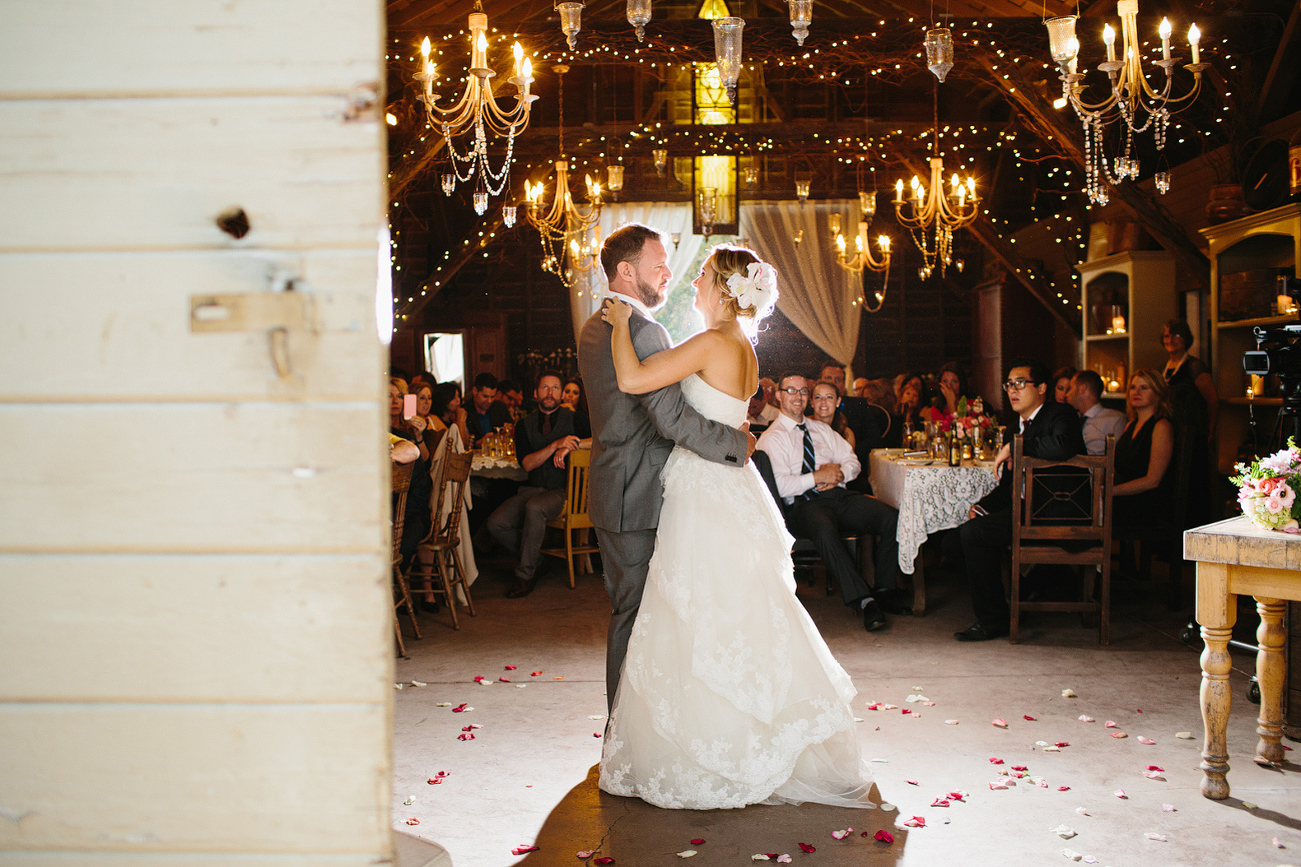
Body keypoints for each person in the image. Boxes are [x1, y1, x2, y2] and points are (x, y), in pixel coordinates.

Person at [593, 236, 873, 810]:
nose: (689, 282)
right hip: (729, 487)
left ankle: (711, 745)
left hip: (703, 488)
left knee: (697, 612)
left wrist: (621, 324)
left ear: (722, 288)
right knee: (736, 613)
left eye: (700, 276)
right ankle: (744, 736)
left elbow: (632, 382)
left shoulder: (708, 342)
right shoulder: (741, 345)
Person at [577, 223, 753, 720]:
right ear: (627, 270)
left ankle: (640, 730)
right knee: (638, 618)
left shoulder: (599, 325)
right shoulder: (642, 329)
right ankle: (628, 737)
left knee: (634, 613)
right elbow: (670, 416)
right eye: (658, 263)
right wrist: (737, 443)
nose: (669, 272)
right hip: (641, 496)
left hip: (616, 490)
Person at [947, 359, 1087, 641]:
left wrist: (1016, 446)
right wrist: (982, 506)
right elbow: (1009, 485)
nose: (1013, 390)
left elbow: (1062, 445)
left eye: (1020, 383)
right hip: (1027, 511)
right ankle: (1020, 593)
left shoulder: (1060, 413)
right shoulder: (1016, 428)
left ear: (1042, 388)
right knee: (951, 540)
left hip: (1059, 513)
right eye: (1009, 384)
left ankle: (994, 620)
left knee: (974, 534)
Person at [760, 373, 902, 628]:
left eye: (803, 391)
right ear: (779, 395)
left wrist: (838, 475)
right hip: (804, 506)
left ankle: (884, 591)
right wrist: (816, 477)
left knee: (891, 519)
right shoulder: (772, 438)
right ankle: (864, 601)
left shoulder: (822, 429)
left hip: (839, 495)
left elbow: (853, 462)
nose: (798, 396)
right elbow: (780, 486)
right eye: (791, 391)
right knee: (825, 531)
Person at [487, 371, 592, 598]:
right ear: (536, 393)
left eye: (555, 388)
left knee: (535, 508)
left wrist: (572, 445)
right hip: (531, 490)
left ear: (562, 393)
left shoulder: (576, 419)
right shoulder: (523, 425)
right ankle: (537, 561)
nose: (550, 393)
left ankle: (524, 574)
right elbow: (527, 464)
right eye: (545, 387)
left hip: (562, 493)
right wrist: (555, 445)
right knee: (496, 523)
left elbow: (599, 439)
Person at [1162, 318, 1216, 525]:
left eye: (1176, 335)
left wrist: (1210, 431)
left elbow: (1212, 400)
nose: (1171, 340)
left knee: (1192, 489)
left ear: (1186, 339)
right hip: (1171, 436)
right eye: (1167, 335)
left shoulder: (1195, 366)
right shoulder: (1164, 366)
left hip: (1193, 435)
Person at [1112, 369, 1175, 527]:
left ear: (1158, 393)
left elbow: (1153, 481)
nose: (1136, 392)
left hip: (1148, 503)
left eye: (1144, 387)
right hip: (1126, 497)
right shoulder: (1130, 425)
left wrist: (1110, 491)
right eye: (1133, 387)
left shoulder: (1161, 426)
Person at [1067, 370, 1128, 456]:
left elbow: (1119, 457)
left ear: (1082, 389)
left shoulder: (1115, 419)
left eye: (1070, 388)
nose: (1067, 394)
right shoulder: (1071, 419)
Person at [467, 372, 512, 445]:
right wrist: (480, 443)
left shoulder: (500, 407)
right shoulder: (465, 411)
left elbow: (511, 429)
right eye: (485, 396)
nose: (489, 401)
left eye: (492, 397)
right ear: (475, 391)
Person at [810, 380, 856, 450]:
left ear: (838, 402)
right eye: (818, 397)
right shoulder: (802, 428)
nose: (823, 401)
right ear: (812, 402)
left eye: (829, 397)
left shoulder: (846, 434)